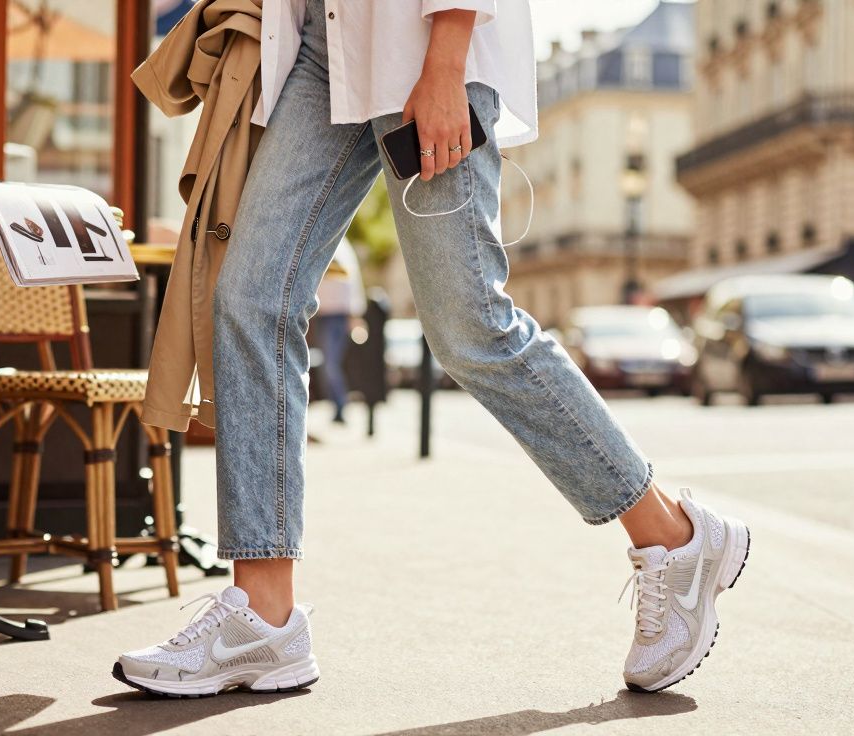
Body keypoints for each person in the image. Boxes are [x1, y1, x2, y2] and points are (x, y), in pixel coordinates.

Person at [115, 0, 751, 697]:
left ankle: (673, 534)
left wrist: (447, 60)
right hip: (320, 49)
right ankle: (264, 619)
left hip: (417, 39)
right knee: (249, 301)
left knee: (469, 325)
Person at [313, 237, 366, 424]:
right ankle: (338, 405)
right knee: (327, 365)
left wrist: (356, 313)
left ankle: (340, 404)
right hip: (321, 314)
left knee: (330, 364)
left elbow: (354, 281)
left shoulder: (344, 248)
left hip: (338, 316)